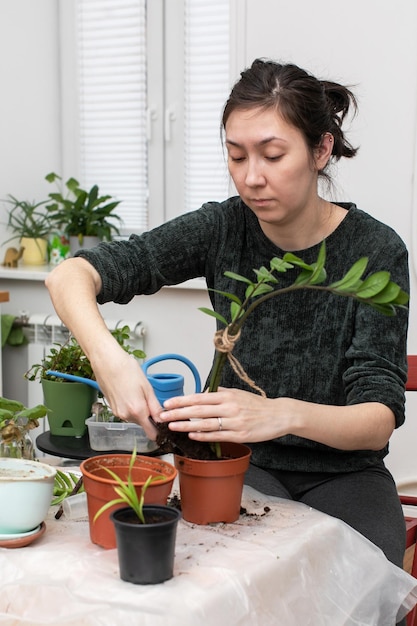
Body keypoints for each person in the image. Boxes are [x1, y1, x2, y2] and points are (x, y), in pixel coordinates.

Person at [46, 59, 409, 588]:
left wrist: (278, 413)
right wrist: (111, 360)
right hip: (238, 466)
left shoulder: (375, 250)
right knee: (208, 589)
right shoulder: (222, 227)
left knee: (354, 589)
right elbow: (70, 276)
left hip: (346, 477)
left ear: (321, 149)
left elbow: (377, 415)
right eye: (236, 156)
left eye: (272, 154)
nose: (251, 177)